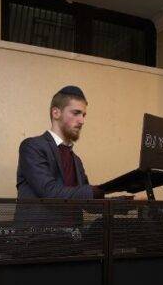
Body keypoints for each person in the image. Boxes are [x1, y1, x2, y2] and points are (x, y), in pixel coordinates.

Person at [17, 86, 147, 201]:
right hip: (40, 223)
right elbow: (50, 192)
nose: (82, 121)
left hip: (74, 223)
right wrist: (102, 189)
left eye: (83, 115)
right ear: (56, 113)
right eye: (76, 113)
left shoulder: (76, 160)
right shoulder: (32, 147)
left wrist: (129, 200)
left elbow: (88, 203)